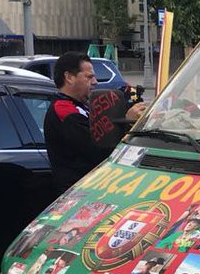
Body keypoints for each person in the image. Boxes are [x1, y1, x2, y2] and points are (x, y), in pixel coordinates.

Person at [45, 52, 146, 191]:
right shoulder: (63, 110)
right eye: (89, 77)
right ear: (69, 77)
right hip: (77, 191)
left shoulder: (80, 106)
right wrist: (127, 122)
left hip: (92, 185)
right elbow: (98, 148)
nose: (95, 82)